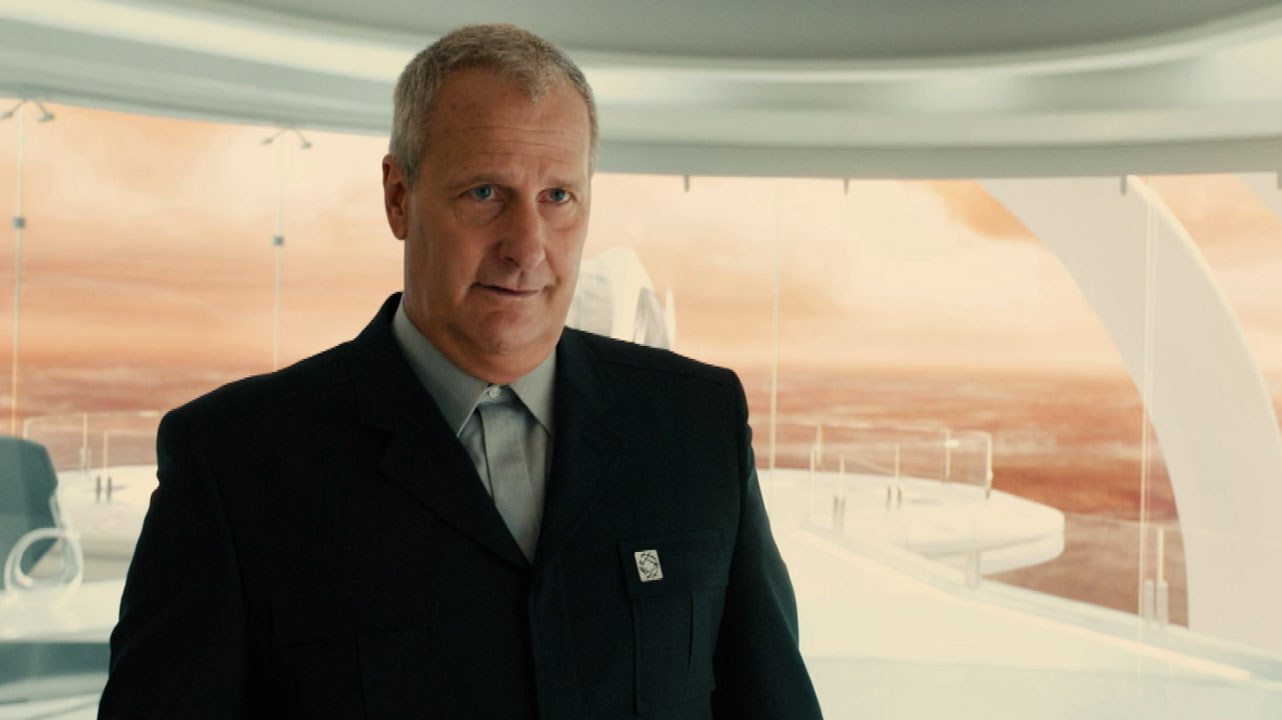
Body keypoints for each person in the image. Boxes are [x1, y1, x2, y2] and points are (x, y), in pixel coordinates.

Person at [99, 23, 823, 720]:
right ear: (398, 197)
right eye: (484, 193)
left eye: (557, 196)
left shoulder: (697, 423)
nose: (527, 247)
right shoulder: (237, 464)